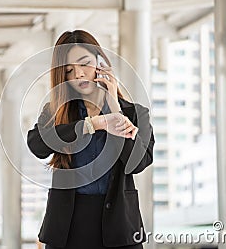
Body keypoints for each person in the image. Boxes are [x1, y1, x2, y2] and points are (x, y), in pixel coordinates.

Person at [27, 30, 155, 249]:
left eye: (84, 64)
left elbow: (139, 162)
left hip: (119, 228)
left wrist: (114, 106)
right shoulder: (57, 112)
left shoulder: (135, 114)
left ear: (100, 63)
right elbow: (37, 144)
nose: (78, 74)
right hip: (68, 228)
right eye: (69, 70)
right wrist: (92, 125)